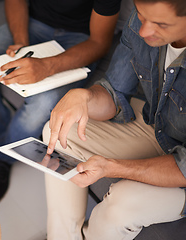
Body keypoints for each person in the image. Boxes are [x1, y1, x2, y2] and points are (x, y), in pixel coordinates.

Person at [43, 0, 186, 239]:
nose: (143, 32)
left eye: (161, 24)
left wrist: (112, 167)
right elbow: (115, 92)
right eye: (141, 16)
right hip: (157, 125)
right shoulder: (142, 25)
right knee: (58, 132)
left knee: (123, 203)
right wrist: (84, 97)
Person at [0, 0, 121, 203]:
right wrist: (21, 43)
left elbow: (100, 43)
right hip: (32, 23)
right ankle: (1, 133)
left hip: (80, 38)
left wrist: (47, 66)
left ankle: (2, 157)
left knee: (44, 103)